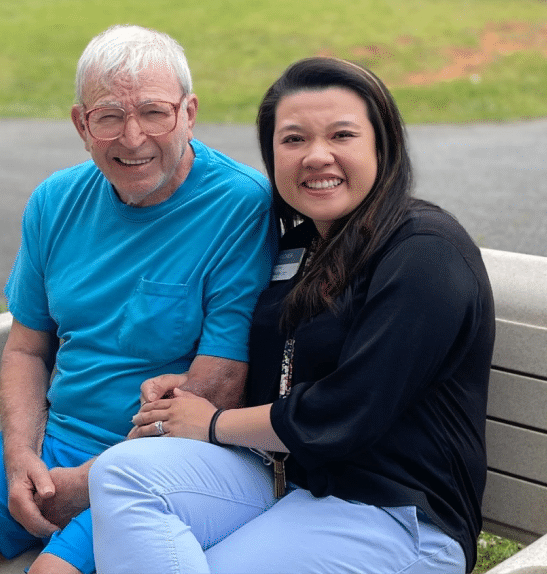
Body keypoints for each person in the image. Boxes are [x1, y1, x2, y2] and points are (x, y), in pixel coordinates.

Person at [0, 25, 276, 574]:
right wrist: (20, 459)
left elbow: (221, 382)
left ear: (189, 113)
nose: (133, 139)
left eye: (154, 113)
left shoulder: (237, 203)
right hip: (58, 440)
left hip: (167, 460)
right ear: (81, 124)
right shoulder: (54, 201)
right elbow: (26, 349)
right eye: (109, 116)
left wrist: (86, 485)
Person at [88, 56, 495, 574]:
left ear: (381, 145)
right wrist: (191, 390)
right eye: (294, 139)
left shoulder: (423, 252)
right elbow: (286, 368)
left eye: (342, 135)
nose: (316, 157)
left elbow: (348, 411)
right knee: (123, 472)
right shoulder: (301, 244)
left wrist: (212, 424)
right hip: (298, 485)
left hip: (397, 515)